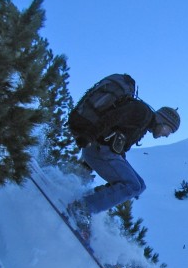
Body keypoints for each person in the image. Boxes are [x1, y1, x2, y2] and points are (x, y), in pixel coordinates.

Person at [66, 89, 180, 235]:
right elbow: (112, 117)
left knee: (140, 185)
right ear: (164, 121)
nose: (166, 135)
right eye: (169, 131)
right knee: (132, 185)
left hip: (101, 151)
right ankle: (82, 208)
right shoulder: (141, 112)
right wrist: (89, 135)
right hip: (96, 148)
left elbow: (118, 148)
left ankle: (87, 198)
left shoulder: (142, 125)